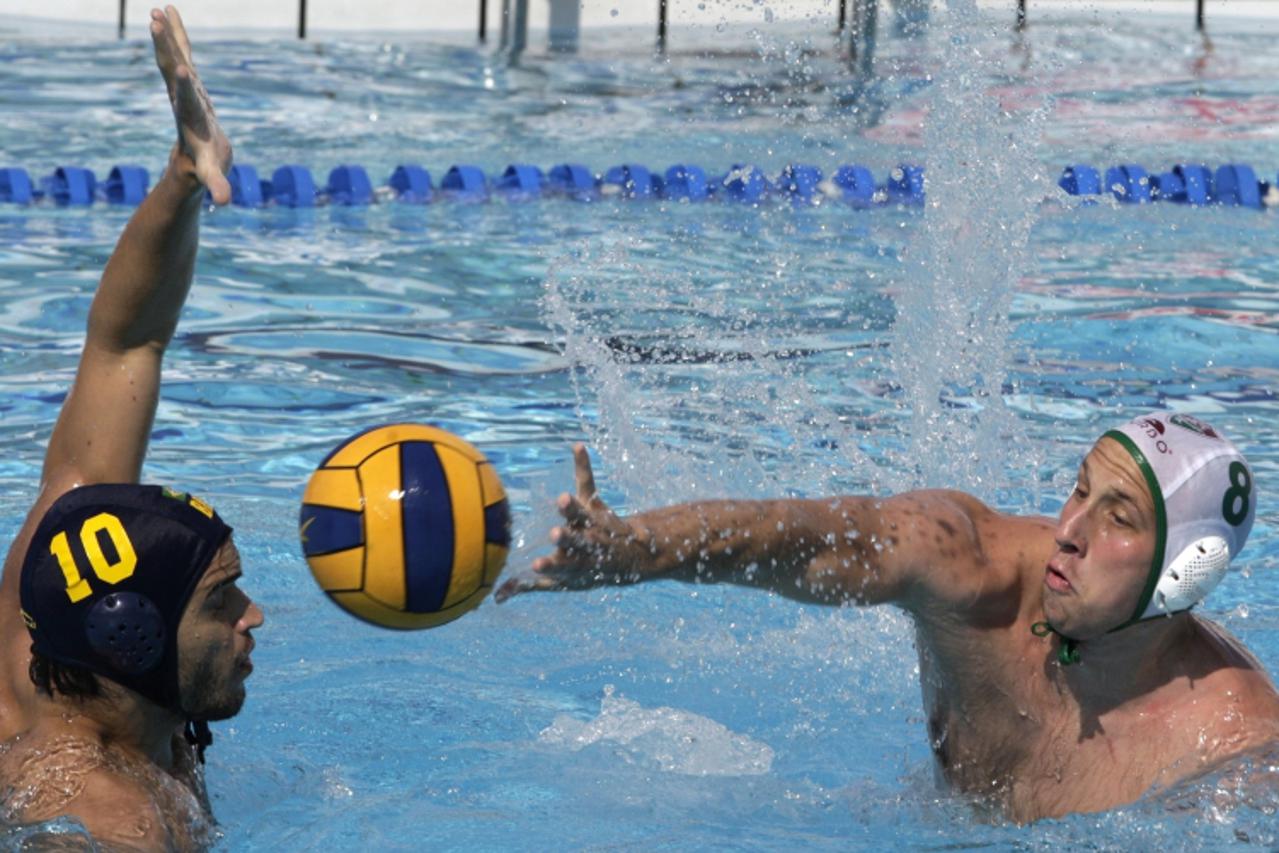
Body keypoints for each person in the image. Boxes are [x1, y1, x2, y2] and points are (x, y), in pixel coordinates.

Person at [498, 414, 1279, 821]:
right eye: (1077, 488)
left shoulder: (1233, 747)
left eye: (1117, 517)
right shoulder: (976, 570)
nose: (1068, 527)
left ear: (1187, 570)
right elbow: (816, 538)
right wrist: (639, 550)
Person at [0, 7, 263, 849]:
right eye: (221, 599)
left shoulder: (80, 617)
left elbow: (126, 342)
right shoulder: (109, 821)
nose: (255, 615)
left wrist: (186, 177)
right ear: (132, 631)